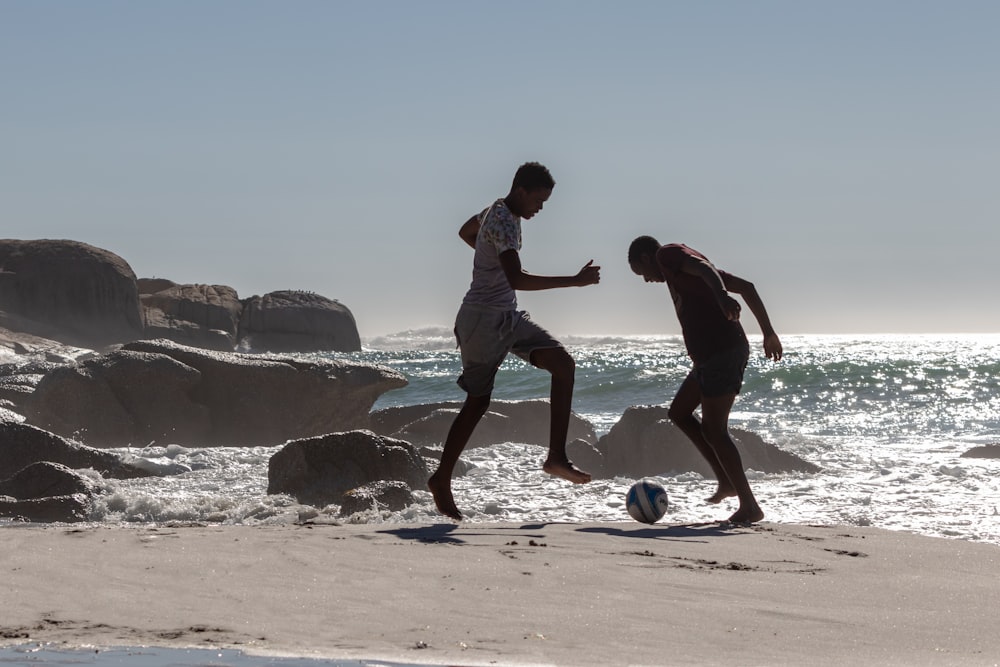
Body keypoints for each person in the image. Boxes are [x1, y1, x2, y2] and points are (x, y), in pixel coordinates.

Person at [428, 162, 601, 521]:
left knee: (563, 364)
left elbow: (466, 232)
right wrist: (574, 281)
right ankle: (441, 480)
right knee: (477, 404)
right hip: (481, 322)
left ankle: (555, 457)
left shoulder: (496, 211)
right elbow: (517, 278)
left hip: (506, 317)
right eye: (538, 200)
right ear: (521, 191)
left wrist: (484, 257)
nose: (540, 208)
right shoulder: (505, 219)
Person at [627, 236, 783, 524]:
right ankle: (725, 481)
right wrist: (768, 332)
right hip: (708, 358)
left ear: (646, 258)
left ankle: (749, 505)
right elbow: (747, 287)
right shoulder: (691, 276)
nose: (647, 280)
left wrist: (722, 297)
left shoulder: (667, 255)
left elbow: (703, 268)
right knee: (679, 413)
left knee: (714, 430)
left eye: (642, 273)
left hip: (721, 353)